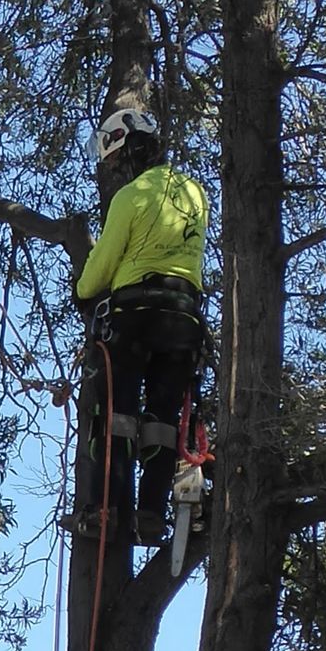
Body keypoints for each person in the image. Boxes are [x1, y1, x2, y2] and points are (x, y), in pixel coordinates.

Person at [74, 104, 209, 546]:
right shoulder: (195, 194)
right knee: (164, 419)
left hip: (133, 317)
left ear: (127, 151)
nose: (113, 167)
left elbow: (100, 268)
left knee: (116, 416)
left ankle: (109, 511)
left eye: (114, 158)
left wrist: (82, 291)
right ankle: (150, 514)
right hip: (183, 317)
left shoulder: (129, 198)